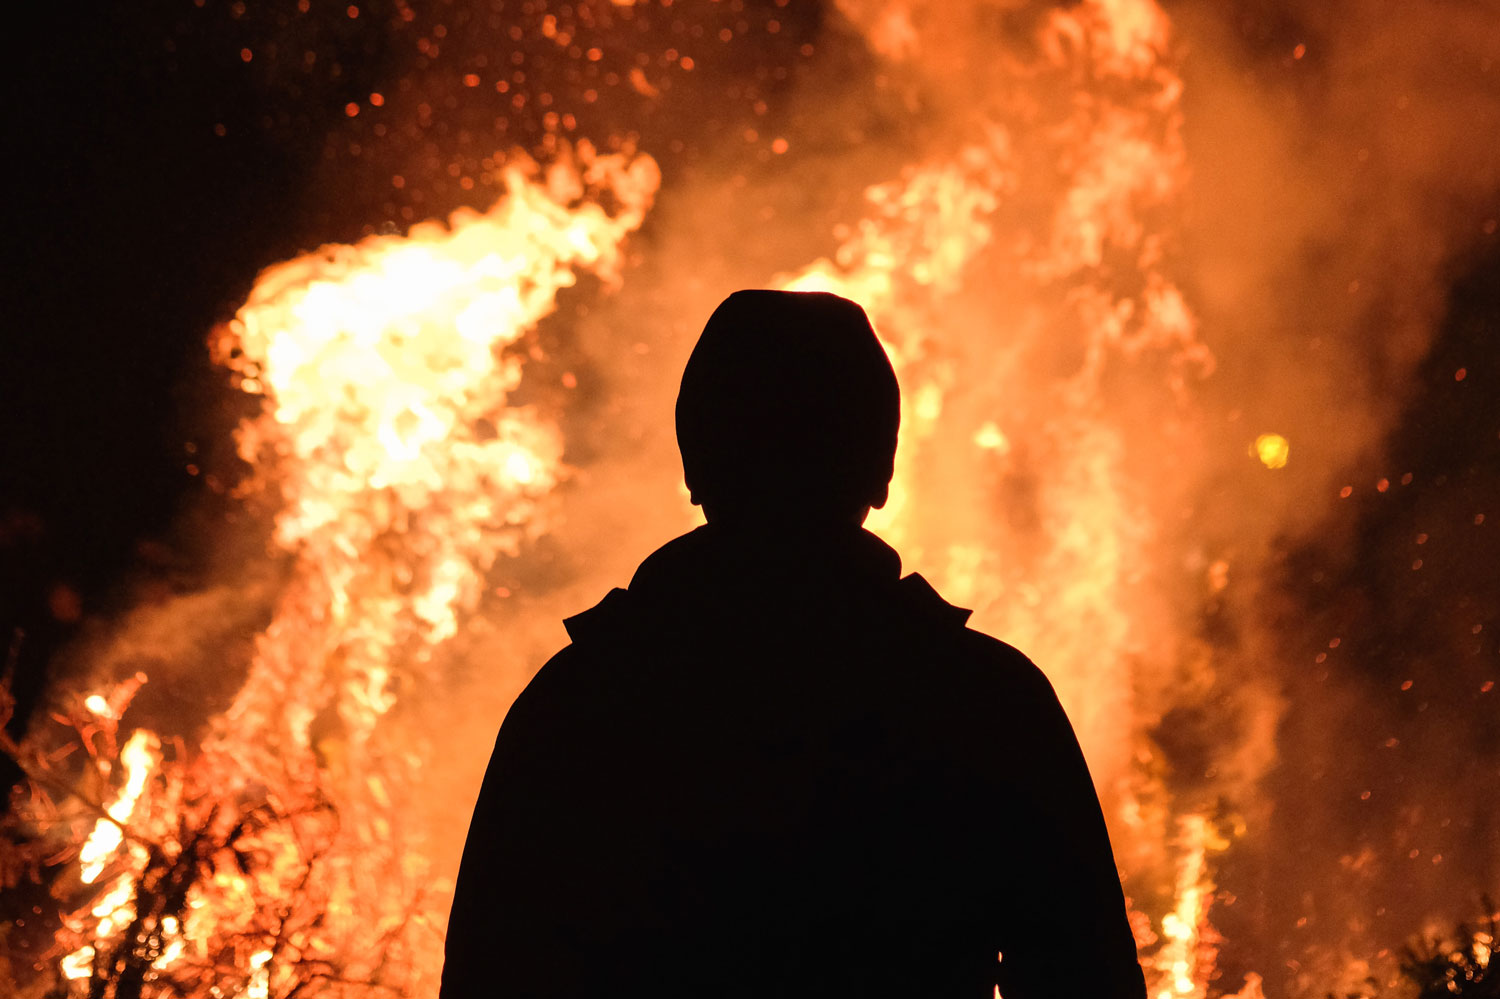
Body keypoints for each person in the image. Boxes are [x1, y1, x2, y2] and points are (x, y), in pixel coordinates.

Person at [441, 290, 1146, 998]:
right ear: (881, 468)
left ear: (696, 460)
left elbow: (489, 972)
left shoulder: (580, 703)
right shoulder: (988, 702)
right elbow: (1086, 977)